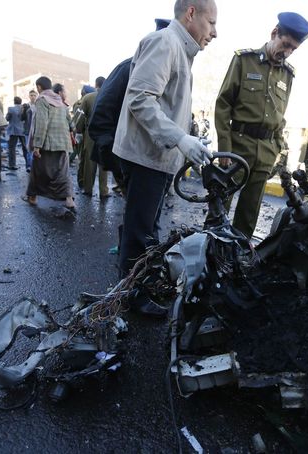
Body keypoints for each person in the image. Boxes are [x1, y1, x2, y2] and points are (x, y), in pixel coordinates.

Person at [113, 0, 217, 314]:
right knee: (139, 231)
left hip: (155, 157)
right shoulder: (165, 42)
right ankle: (132, 298)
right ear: (191, 13)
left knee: (145, 228)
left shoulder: (180, 50)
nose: (215, 33)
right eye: (211, 23)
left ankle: (138, 284)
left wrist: (186, 137)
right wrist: (180, 138)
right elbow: (141, 100)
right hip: (146, 157)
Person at [214, 11, 308, 238]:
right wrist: (224, 147)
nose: (286, 53)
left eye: (293, 49)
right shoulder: (243, 60)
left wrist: (276, 148)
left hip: (265, 152)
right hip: (237, 148)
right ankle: (210, 253)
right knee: (220, 206)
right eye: (285, 45)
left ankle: (238, 258)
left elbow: (280, 115)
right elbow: (223, 104)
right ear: (274, 33)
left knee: (249, 214)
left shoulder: (287, 74)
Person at [88, 19, 172, 196]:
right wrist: (118, 161)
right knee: (137, 218)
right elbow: (100, 116)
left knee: (146, 218)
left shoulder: (174, 76)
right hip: (131, 162)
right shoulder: (128, 68)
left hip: (157, 163)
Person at [25, 76, 75, 211]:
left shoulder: (42, 99)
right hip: (63, 142)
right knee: (63, 172)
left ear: (39, 87)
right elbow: (70, 122)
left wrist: (37, 146)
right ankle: (69, 199)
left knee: (38, 170)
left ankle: (33, 197)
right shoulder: (60, 100)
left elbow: (41, 123)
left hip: (47, 143)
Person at [77, 77, 109, 198]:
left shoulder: (88, 97)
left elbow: (80, 117)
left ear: (96, 85)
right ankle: (104, 191)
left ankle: (88, 189)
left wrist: (79, 131)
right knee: (104, 161)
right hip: (106, 133)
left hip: (90, 133)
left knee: (89, 161)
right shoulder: (110, 96)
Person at [5, 97, 27, 170]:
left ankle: (12, 165)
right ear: (21, 102)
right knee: (25, 148)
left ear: (14, 102)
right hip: (23, 130)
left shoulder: (11, 109)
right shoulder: (24, 108)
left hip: (13, 131)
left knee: (12, 148)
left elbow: (7, 118)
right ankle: (28, 164)